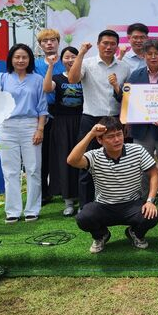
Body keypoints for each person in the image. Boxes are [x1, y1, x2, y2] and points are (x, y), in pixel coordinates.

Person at [67, 117, 158, 253]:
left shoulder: (137, 150)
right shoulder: (94, 156)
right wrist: (91, 134)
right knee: (84, 217)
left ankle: (135, 233)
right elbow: (72, 160)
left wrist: (150, 201)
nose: (117, 140)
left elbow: (154, 174)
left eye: (119, 134)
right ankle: (101, 235)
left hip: (132, 204)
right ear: (100, 140)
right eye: (110, 137)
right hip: (104, 206)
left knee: (152, 215)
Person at [67, 29, 132, 207]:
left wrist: (125, 121)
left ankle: (116, 202)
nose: (108, 47)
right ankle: (86, 206)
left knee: (117, 162)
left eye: (112, 44)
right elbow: (72, 79)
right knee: (86, 163)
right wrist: (81, 53)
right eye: (105, 43)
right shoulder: (87, 63)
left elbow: (126, 97)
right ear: (98, 45)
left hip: (115, 120)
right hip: (91, 119)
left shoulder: (124, 67)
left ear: (117, 46)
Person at [0, 44, 48, 223]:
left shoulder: (37, 79)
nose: (21, 60)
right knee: (10, 170)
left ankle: (32, 209)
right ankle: (12, 211)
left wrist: (40, 129)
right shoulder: (2, 77)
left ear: (30, 59)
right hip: (7, 126)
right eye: (17, 57)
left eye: (24, 57)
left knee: (33, 169)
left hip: (31, 125)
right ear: (11, 59)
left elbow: (42, 107)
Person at [118, 39, 158, 197]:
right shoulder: (135, 75)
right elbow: (130, 101)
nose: (153, 57)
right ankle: (143, 201)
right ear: (144, 55)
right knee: (142, 168)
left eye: (157, 53)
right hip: (142, 131)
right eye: (149, 54)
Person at [42, 46, 84, 217]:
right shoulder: (57, 78)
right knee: (63, 160)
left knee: (83, 159)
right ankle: (68, 201)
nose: (70, 60)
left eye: (74, 57)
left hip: (82, 121)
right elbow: (47, 88)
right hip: (61, 124)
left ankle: (84, 200)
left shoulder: (83, 76)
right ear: (62, 60)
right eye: (67, 57)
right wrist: (51, 66)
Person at [33, 28, 64, 206]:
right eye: (45, 41)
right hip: (42, 113)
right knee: (42, 155)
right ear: (40, 45)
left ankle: (65, 190)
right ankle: (44, 193)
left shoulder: (67, 61)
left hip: (65, 112)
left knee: (63, 152)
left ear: (58, 42)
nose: (49, 43)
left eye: (53, 40)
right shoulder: (35, 65)